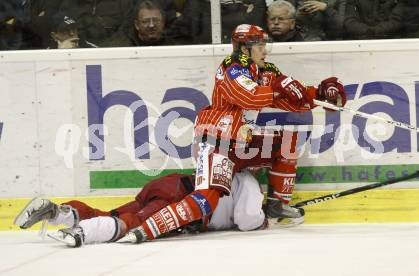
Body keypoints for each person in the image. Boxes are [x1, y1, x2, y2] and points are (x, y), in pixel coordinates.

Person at [123, 24, 346, 243]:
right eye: (259, 46)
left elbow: (293, 100)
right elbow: (248, 97)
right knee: (206, 200)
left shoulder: (266, 71)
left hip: (241, 142)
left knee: (288, 143)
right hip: (215, 141)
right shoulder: (232, 66)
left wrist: (321, 95)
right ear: (244, 48)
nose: (265, 50)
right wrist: (280, 87)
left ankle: (278, 205)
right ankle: (146, 230)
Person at [14, 170, 266, 247]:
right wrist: (265, 219)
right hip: (178, 196)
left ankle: (59, 212)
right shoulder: (249, 181)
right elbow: (247, 219)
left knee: (112, 214)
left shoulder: (227, 171)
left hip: (169, 184)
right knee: (131, 222)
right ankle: (82, 232)